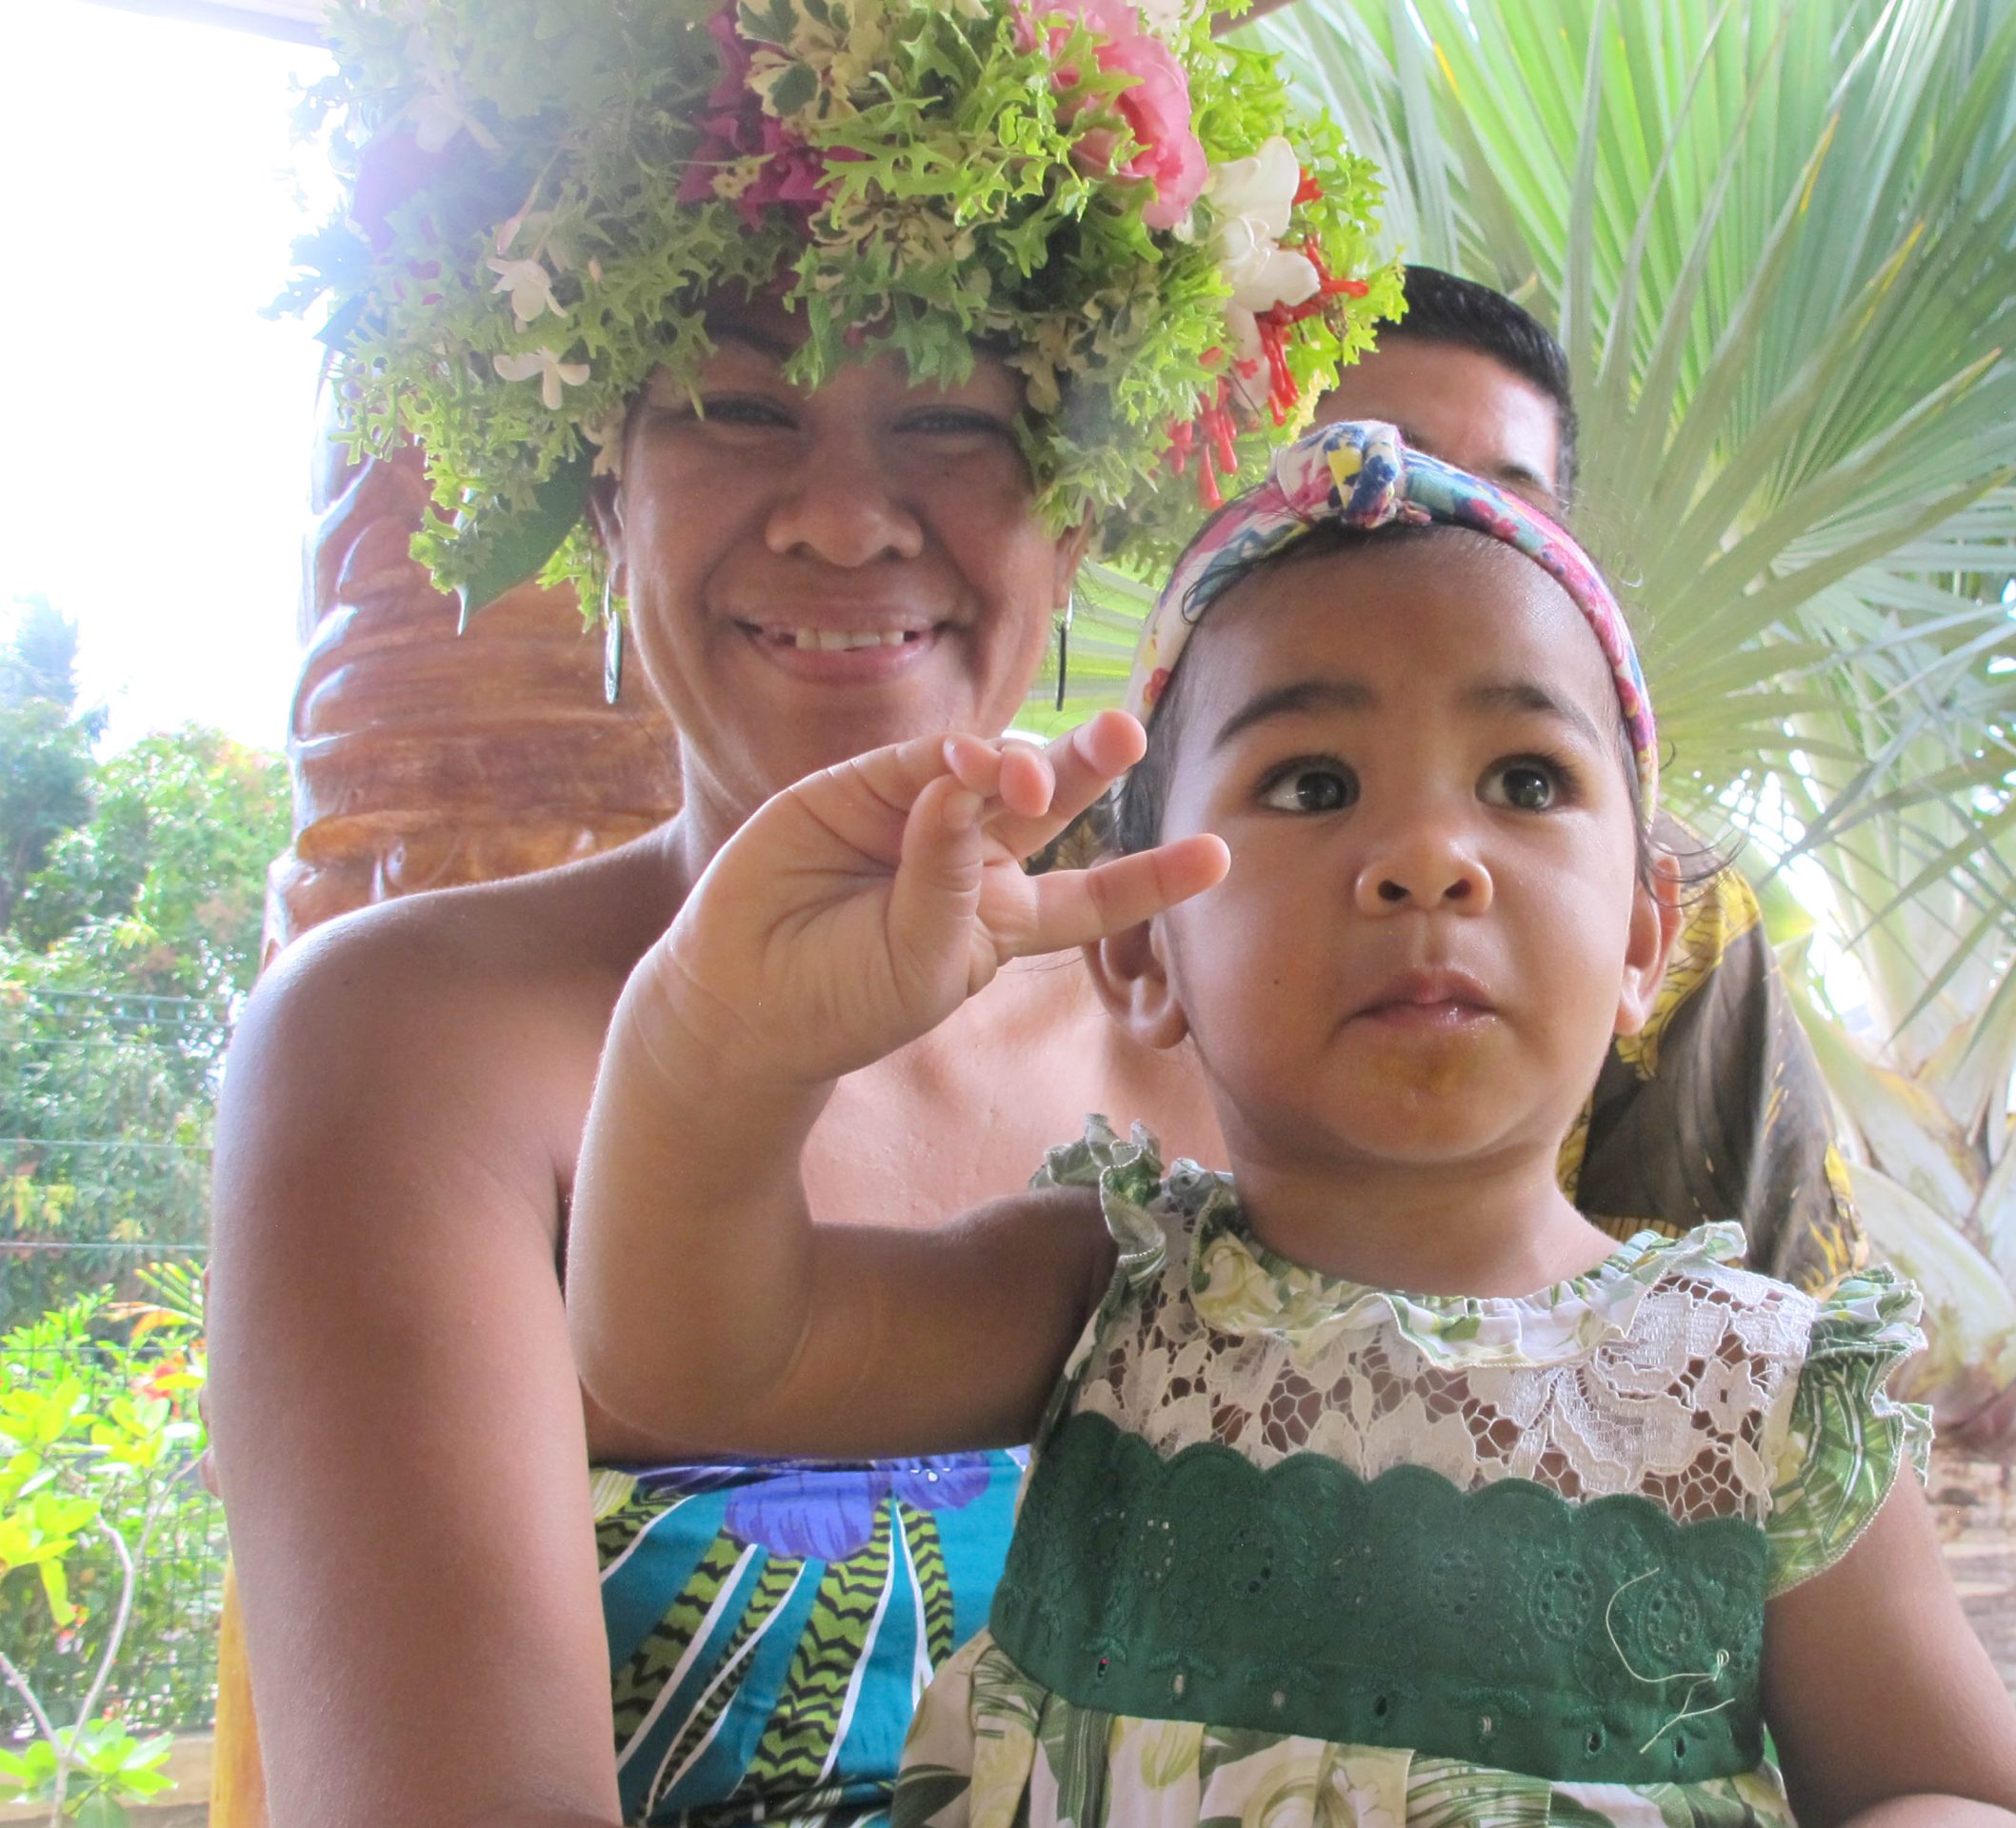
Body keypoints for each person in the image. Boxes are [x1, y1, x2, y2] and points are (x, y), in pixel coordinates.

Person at [210, 5, 1394, 1825]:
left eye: (948, 417)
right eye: (736, 405)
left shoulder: (1238, 1024)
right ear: (603, 493)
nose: (845, 518)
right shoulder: (399, 1052)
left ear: (1078, 525)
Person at [566, 421, 2016, 1828]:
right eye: (1313, 783)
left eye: (1525, 781)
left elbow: (1964, 1790)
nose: (1425, 858)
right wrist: (713, 1037)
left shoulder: (1757, 1398)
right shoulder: (1100, 1298)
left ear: (1642, 944)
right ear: (1145, 954)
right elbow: (686, 1357)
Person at [1317, 267, 1866, 1292]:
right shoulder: (1046, 883)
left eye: (1506, 505)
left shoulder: (1670, 911)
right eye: (1380, 484)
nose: (1447, 534)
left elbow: (1773, 1367)